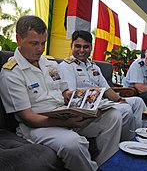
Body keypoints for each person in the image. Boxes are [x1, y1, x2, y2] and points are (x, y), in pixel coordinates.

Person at [0, 15, 122, 171]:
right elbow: (29, 118)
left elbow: (64, 92)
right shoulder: (11, 73)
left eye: (43, 43)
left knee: (113, 116)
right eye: (34, 43)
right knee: (73, 143)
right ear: (19, 39)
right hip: (38, 126)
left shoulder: (49, 63)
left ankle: (106, 165)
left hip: (64, 114)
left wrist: (79, 101)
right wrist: (66, 123)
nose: (40, 49)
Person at [59, 30, 147, 137]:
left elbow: (107, 89)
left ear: (91, 47)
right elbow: (72, 97)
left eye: (85, 47)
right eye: (78, 46)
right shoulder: (67, 66)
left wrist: (120, 100)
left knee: (138, 102)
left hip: (103, 102)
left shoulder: (93, 66)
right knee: (126, 109)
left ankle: (140, 136)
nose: (81, 50)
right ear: (71, 46)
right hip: (88, 107)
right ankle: (128, 142)